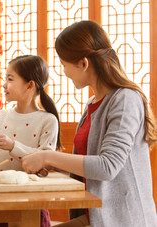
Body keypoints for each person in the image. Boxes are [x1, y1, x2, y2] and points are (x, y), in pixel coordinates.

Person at [22, 20, 157, 227]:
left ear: (83, 63)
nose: (64, 71)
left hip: (122, 219)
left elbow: (107, 167)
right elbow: (84, 168)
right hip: (96, 216)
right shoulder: (91, 105)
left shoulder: (125, 99)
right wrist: (50, 165)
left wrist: (47, 156)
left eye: (64, 63)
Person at [0, 55, 62, 227]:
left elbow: (46, 158)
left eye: (10, 79)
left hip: (31, 200)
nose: (4, 84)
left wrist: (12, 146)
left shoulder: (48, 120)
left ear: (29, 85)